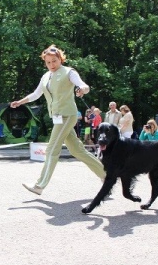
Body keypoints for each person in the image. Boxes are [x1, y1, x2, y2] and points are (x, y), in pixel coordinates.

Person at [10, 44, 105, 195]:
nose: (51, 65)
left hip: (68, 115)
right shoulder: (45, 76)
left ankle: (39, 185)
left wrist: (82, 90)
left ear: (60, 59)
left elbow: (83, 85)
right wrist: (20, 102)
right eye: (48, 62)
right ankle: (106, 175)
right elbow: (36, 94)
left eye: (54, 61)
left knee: (51, 149)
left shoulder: (69, 72)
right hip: (57, 117)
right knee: (77, 150)